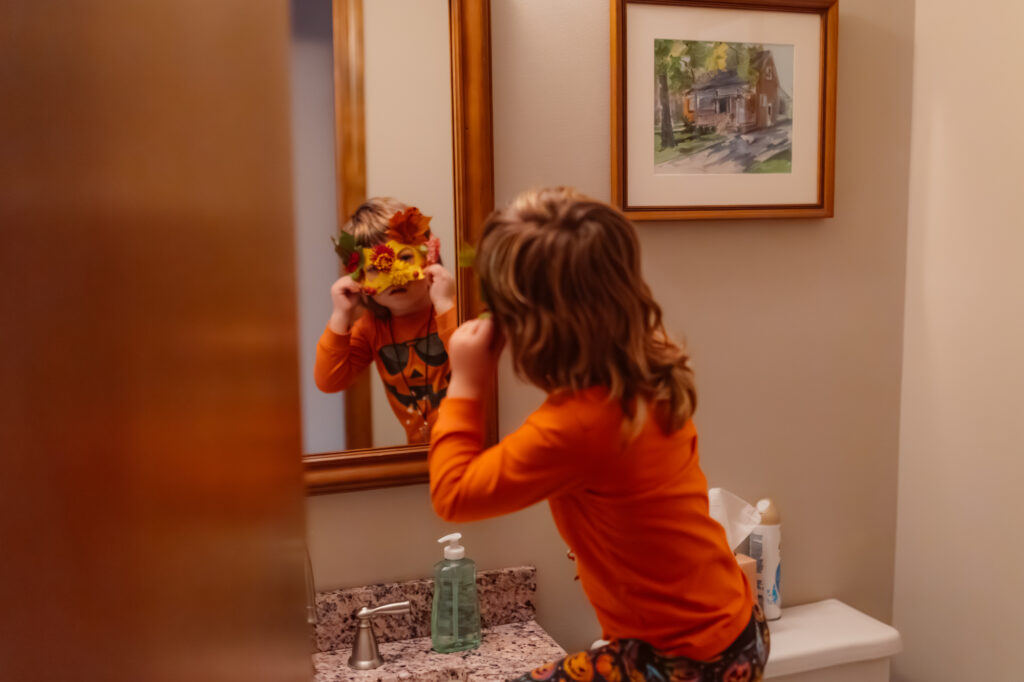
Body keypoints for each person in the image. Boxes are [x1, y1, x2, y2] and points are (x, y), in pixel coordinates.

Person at [429, 188, 769, 681]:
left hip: (685, 662)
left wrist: (466, 382)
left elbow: (453, 493)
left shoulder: (578, 425)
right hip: (735, 630)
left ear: (529, 328)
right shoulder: (647, 367)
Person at [315, 197, 456, 444]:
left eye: (404, 258)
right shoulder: (371, 329)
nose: (392, 277)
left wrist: (445, 305)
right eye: (375, 268)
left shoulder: (456, 310)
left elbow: (478, 364)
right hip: (419, 455)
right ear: (358, 279)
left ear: (429, 256)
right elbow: (329, 381)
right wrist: (341, 315)